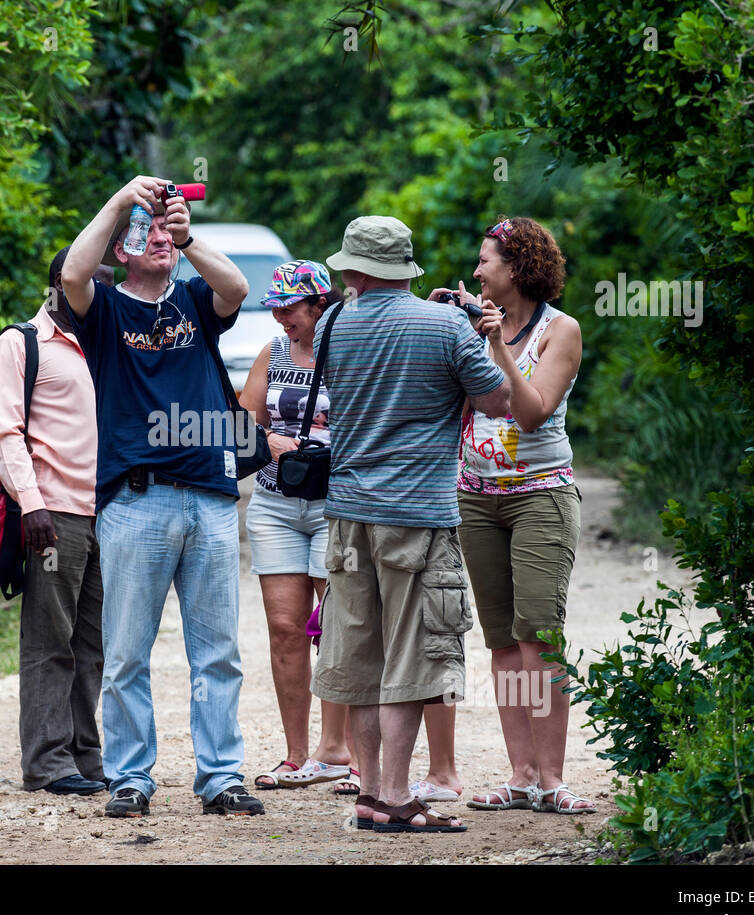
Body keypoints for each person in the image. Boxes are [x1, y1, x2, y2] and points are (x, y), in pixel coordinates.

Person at [61, 174, 264, 818]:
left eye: (164, 234)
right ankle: (130, 777)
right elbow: (71, 273)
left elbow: (238, 289)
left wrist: (187, 233)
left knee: (218, 652)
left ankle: (222, 777)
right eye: (145, 235)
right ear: (122, 249)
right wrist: (124, 201)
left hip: (208, 494)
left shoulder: (198, 301)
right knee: (125, 651)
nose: (159, 241)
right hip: (134, 499)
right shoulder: (106, 310)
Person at [308, 216, 512, 832]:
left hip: (347, 516)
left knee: (363, 658)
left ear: (354, 270)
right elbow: (498, 401)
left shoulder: (331, 324)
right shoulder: (447, 324)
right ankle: (397, 797)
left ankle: (370, 794)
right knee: (413, 659)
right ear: (405, 267)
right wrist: (474, 330)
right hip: (419, 516)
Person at [446, 217, 594, 815]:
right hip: (476, 495)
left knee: (540, 636)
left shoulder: (562, 330)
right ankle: (521, 774)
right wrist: (446, 328)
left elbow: (530, 414)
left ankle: (553, 779)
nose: (477, 270)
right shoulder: (468, 324)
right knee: (503, 642)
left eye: (486, 261)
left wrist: (497, 348)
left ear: (517, 268)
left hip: (541, 494)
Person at [0, 247, 114, 797]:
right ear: (60, 282)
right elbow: (6, 434)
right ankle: (46, 763)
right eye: (92, 280)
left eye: (108, 283)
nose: (101, 292)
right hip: (53, 512)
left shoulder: (107, 342)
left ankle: (86, 756)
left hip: (109, 513)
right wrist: (32, 504)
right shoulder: (20, 344)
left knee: (95, 646)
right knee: (49, 641)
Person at [238, 260, 355, 791]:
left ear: (319, 305)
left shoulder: (349, 350)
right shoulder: (274, 352)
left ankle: (340, 751)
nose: (281, 316)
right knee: (285, 629)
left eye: (291, 308)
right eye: (276, 307)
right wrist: (272, 444)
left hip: (335, 504)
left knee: (332, 626)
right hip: (275, 501)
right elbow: (243, 423)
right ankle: (295, 753)